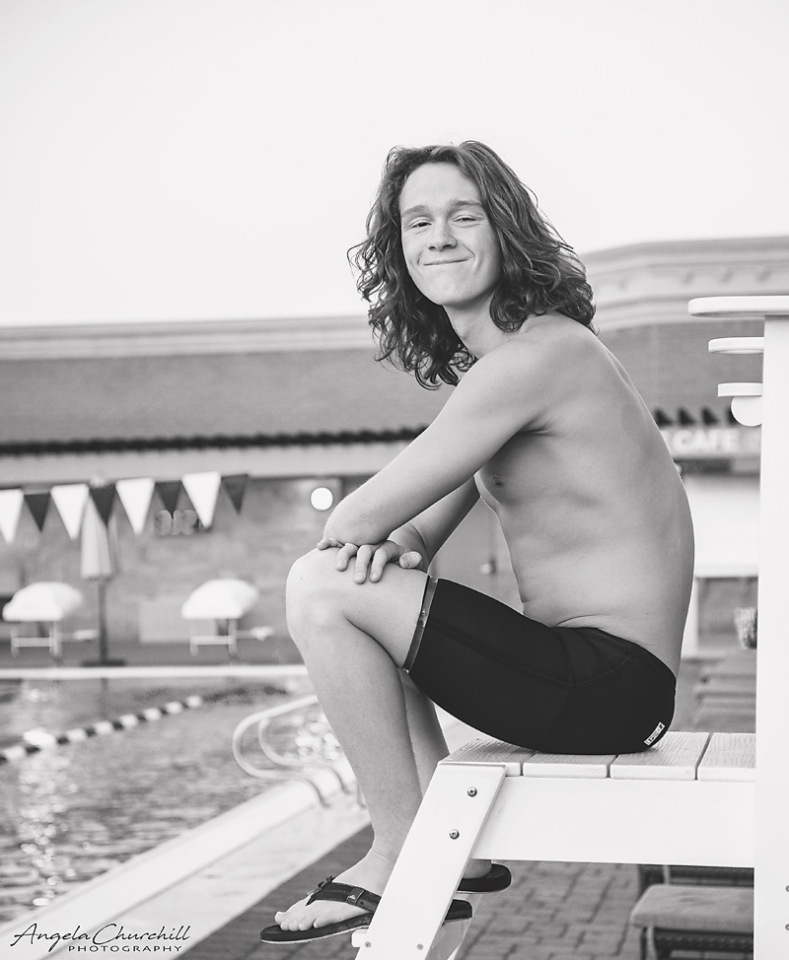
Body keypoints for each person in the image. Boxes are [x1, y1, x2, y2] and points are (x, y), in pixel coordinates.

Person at [260, 141, 694, 943]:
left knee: (319, 587)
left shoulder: (536, 358)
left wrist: (367, 550)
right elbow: (411, 530)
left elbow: (350, 524)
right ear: (398, 248)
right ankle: (443, 844)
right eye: (417, 221)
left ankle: (396, 849)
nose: (439, 237)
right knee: (347, 589)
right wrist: (387, 551)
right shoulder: (509, 369)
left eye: (464, 216)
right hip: (604, 685)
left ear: (505, 230)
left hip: (607, 685)